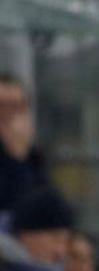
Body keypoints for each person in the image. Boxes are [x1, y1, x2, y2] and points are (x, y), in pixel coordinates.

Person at [0, 73, 50, 223]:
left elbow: (43, 208)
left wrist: (19, 157)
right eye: (2, 106)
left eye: (16, 107)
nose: (8, 115)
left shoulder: (31, 155)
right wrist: (16, 160)